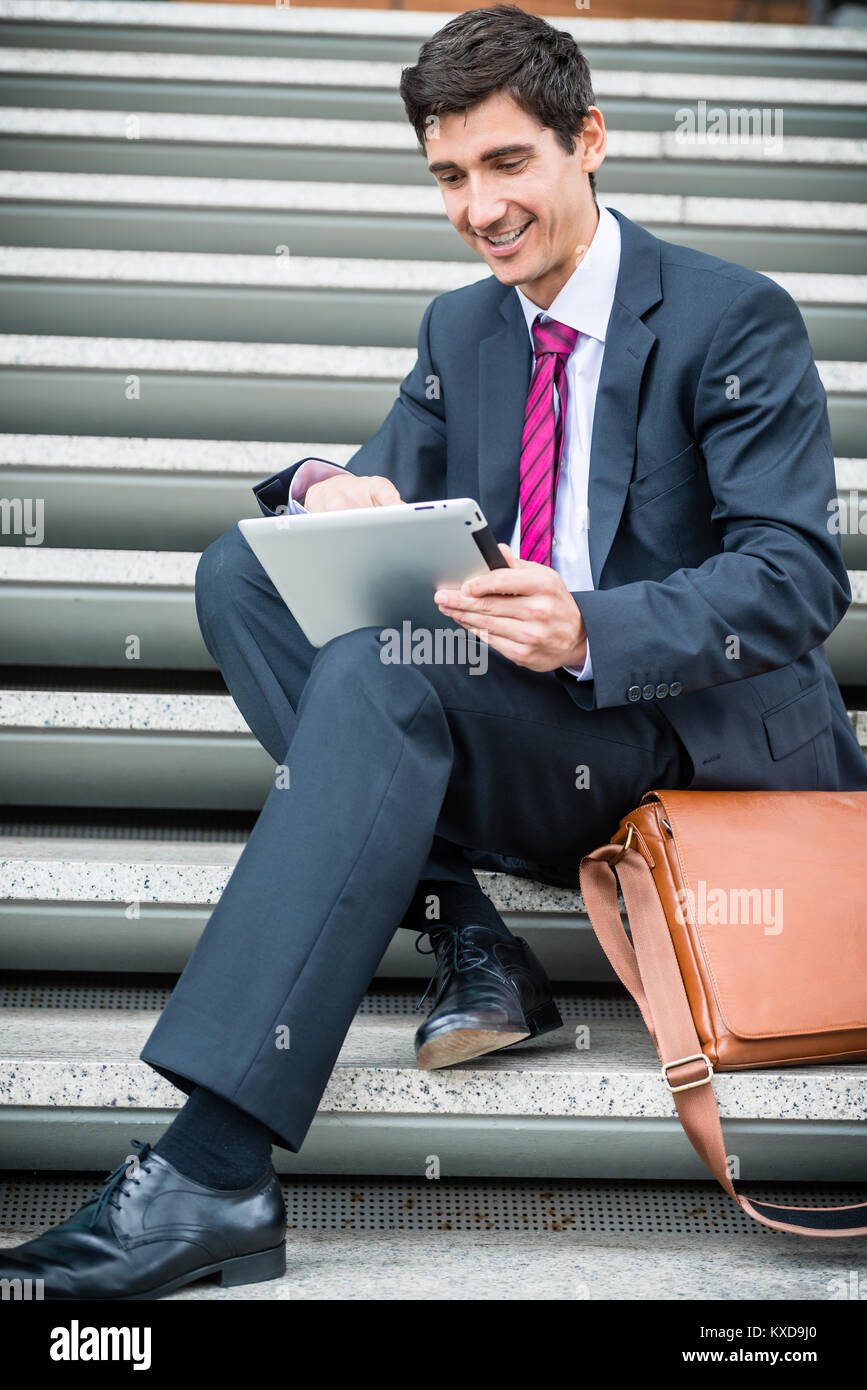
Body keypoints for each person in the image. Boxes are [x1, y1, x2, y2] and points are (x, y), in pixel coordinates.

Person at [4, 4, 865, 1301]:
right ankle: (468, 927)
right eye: (450, 176)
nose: (481, 208)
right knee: (245, 570)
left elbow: (798, 577)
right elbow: (377, 497)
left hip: (689, 738)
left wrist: (595, 625)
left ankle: (214, 1163)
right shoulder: (464, 329)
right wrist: (326, 487)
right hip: (535, 730)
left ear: (589, 140)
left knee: (379, 668)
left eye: (507, 163)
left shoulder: (730, 317)